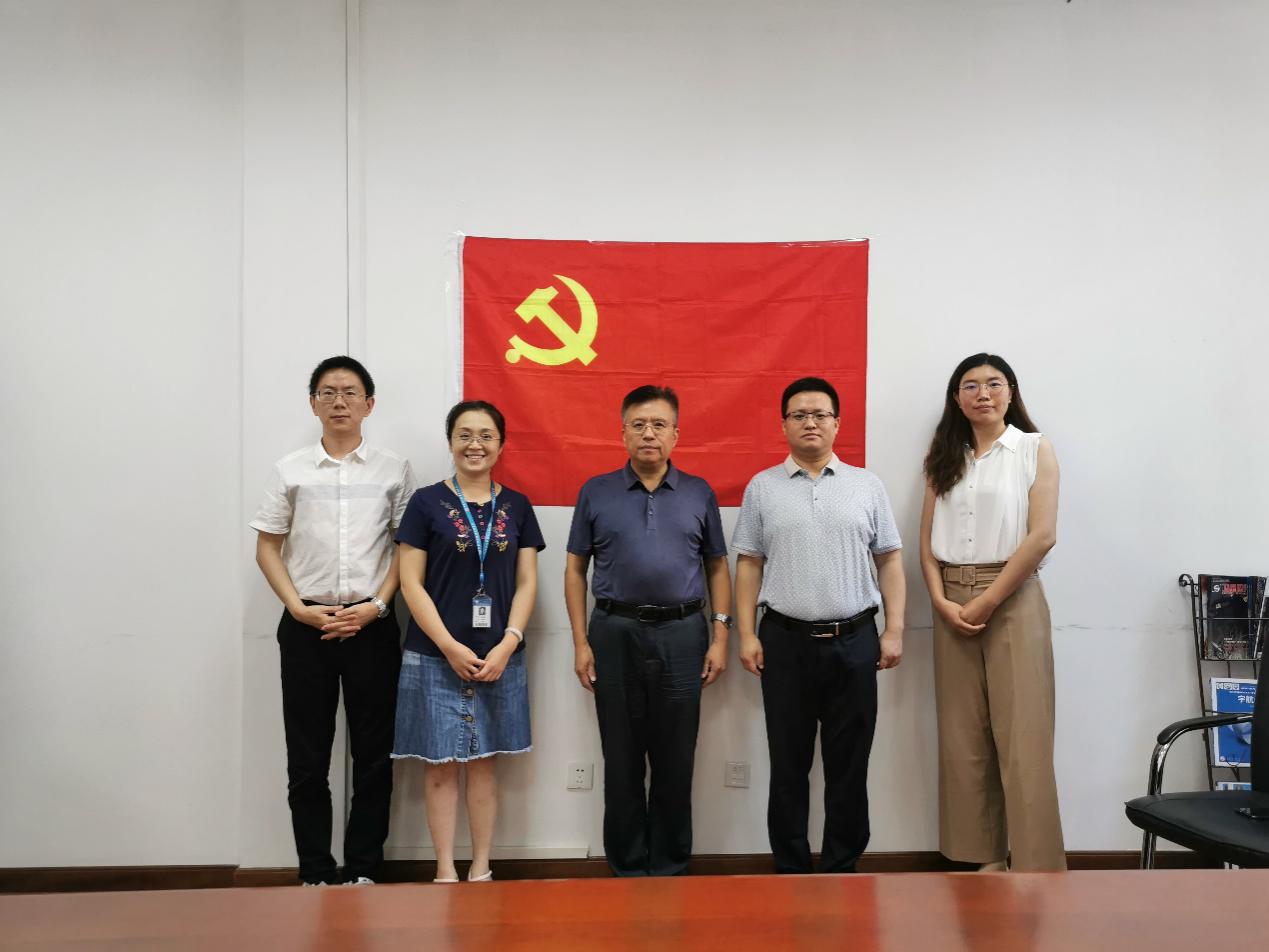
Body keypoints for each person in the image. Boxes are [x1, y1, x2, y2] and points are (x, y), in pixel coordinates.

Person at [250, 355, 416, 886]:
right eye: (327, 392)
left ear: (369, 404)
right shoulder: (290, 469)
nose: (338, 401)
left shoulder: (394, 469)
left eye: (349, 392)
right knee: (307, 758)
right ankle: (315, 872)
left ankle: (364, 870)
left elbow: (406, 550)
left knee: (374, 757)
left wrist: (379, 606)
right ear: (313, 404)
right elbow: (267, 548)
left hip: (372, 626)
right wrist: (297, 607)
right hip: (307, 626)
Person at [733, 376, 905, 874]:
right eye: (799, 415)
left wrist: (894, 629)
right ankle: (790, 869)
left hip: (855, 641)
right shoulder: (763, 487)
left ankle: (841, 868)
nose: (810, 422)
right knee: (788, 764)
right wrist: (747, 633)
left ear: (837, 423)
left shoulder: (866, 486)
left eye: (820, 414)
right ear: (784, 424)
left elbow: (889, 560)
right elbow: (749, 563)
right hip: (784, 642)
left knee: (849, 765)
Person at [565, 385, 732, 877]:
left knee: (676, 759)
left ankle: (670, 867)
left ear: (676, 434)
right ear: (623, 433)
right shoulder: (596, 491)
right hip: (614, 632)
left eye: (659, 425)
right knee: (620, 758)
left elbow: (717, 567)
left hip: (683, 634)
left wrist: (721, 636)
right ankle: (627, 868)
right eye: (638, 425)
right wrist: (580, 643)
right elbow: (575, 570)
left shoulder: (698, 492)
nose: (648, 434)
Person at [919, 353, 1065, 872]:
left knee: (1024, 735)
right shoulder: (944, 457)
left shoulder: (1033, 448)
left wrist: (988, 598)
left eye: (994, 383)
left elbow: (1042, 535)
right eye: (970, 385)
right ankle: (980, 860)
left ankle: (1035, 866)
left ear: (1010, 392)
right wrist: (940, 600)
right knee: (963, 738)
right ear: (956, 398)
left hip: (1012, 594)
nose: (982, 393)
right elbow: (925, 542)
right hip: (949, 601)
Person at [391, 400, 543, 883]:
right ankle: (443, 871)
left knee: (483, 764)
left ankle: (480, 868)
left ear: (501, 443)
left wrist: (509, 641)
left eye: (485, 435)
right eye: (464, 435)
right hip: (434, 655)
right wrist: (449, 646)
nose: (475, 444)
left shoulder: (518, 505)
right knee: (439, 766)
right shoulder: (425, 503)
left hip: (499, 656)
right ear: (451, 441)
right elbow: (410, 583)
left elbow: (527, 582)